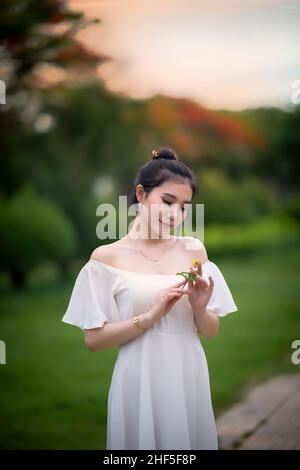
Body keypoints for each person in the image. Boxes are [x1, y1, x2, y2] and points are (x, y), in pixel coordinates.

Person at [62, 147, 238, 450]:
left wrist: (199, 307)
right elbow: (93, 340)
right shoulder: (107, 258)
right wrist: (149, 318)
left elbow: (210, 331)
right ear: (141, 195)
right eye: (167, 202)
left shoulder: (194, 251)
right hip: (138, 379)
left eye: (184, 207)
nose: (175, 215)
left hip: (188, 376)